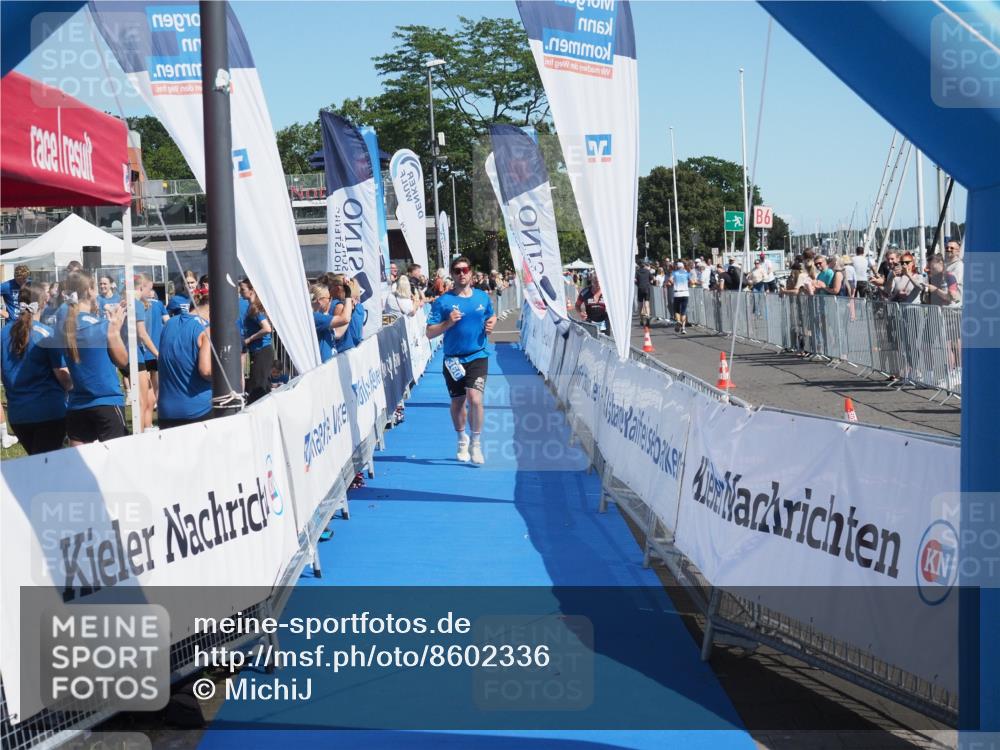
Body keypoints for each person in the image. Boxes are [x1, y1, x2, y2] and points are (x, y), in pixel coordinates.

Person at [426, 256, 496, 465]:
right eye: (457, 271)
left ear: (471, 271)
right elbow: (429, 333)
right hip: (453, 359)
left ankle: (476, 442)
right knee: (458, 402)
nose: (462, 273)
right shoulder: (443, 302)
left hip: (478, 355)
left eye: (465, 269)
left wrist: (491, 324)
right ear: (453, 274)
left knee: (475, 399)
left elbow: (491, 316)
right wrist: (448, 323)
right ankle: (461, 439)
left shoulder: (482, 297)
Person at [56, 271, 129, 445]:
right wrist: (115, 329)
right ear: (90, 290)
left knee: (79, 468)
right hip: (106, 401)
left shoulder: (65, 326)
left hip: (77, 404)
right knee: (117, 464)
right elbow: (123, 361)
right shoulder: (102, 326)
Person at [1, 282, 72, 454]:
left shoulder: (3, 334)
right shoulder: (47, 334)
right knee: (48, 471)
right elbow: (63, 376)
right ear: (43, 303)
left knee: (37, 465)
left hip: (18, 416)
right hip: (49, 412)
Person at [157, 285, 213, 428]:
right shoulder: (207, 330)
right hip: (198, 411)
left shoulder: (169, 324)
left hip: (166, 412)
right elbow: (206, 370)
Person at [138, 273, 168, 428]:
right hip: (154, 350)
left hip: (142, 352)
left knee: (145, 391)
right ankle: (148, 424)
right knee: (152, 387)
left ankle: (147, 425)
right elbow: (167, 323)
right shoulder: (157, 305)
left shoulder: (139, 304)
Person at [239, 278, 274, 404]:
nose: (240, 292)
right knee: (262, 384)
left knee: (258, 386)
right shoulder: (253, 306)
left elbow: (267, 328)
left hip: (262, 351)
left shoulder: (255, 308)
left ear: (251, 290)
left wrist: (249, 339)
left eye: (243, 289)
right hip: (260, 350)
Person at [667, 260, 691, 333]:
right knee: (683, 311)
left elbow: (670, 279)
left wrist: (674, 283)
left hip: (677, 293)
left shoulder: (674, 273)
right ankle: (683, 328)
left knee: (677, 310)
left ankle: (678, 321)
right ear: (683, 267)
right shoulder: (687, 273)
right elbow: (691, 281)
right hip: (685, 293)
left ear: (677, 267)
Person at [636, 262, 653, 327]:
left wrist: (638, 284)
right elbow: (652, 279)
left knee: (640, 304)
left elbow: (635, 280)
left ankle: (641, 319)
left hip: (640, 288)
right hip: (647, 288)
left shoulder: (637, 272)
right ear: (644, 266)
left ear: (639, 266)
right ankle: (648, 315)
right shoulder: (648, 271)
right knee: (647, 303)